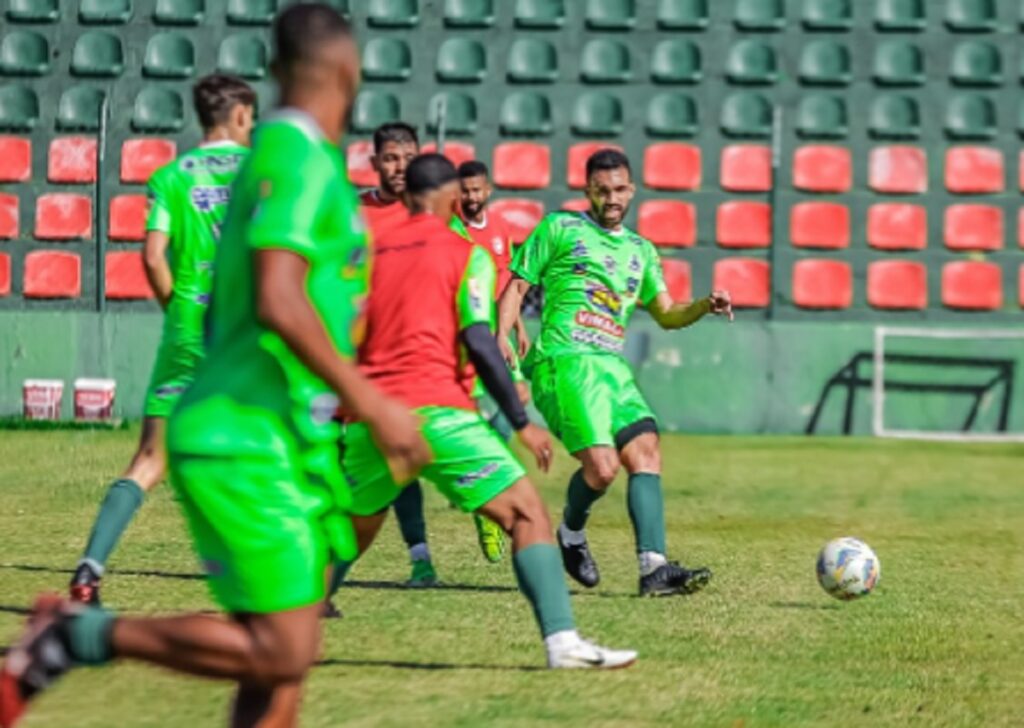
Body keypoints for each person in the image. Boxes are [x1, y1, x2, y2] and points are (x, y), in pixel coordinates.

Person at [0, 6, 430, 727]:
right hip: (244, 435)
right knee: (284, 649)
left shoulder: (296, 156)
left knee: (276, 685)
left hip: (288, 439)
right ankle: (75, 634)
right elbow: (278, 296)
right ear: (348, 72)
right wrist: (373, 400)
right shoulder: (293, 155)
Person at [336, 153, 637, 669]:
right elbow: (478, 336)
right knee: (527, 514)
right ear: (453, 196)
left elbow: (337, 324)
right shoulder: (464, 252)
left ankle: (276, 621)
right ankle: (563, 643)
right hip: (440, 413)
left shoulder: (367, 251)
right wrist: (521, 423)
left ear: (407, 196)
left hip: (372, 418)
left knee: (353, 526)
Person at [497, 148, 733, 597]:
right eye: (601, 190)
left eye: (619, 189)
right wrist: (502, 339)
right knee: (603, 470)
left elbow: (666, 313)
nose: (611, 198)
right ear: (587, 190)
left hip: (612, 368)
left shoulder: (641, 251)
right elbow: (517, 284)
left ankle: (654, 567)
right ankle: (570, 534)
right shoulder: (560, 228)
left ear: (632, 189)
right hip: (564, 362)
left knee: (646, 451)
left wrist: (704, 305)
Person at [68, 74, 256, 605]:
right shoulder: (259, 173)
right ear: (240, 115)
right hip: (242, 329)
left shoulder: (173, 175)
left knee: (150, 458)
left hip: (187, 326)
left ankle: (88, 571)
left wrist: (175, 307)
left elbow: (152, 255)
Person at [456, 159, 531, 562]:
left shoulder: (501, 229)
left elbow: (507, 285)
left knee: (516, 405)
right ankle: (484, 499)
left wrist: (516, 326)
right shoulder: (450, 227)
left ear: (488, 190)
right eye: (464, 191)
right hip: (465, 337)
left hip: (498, 334)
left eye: (476, 190)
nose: (470, 197)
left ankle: (481, 488)